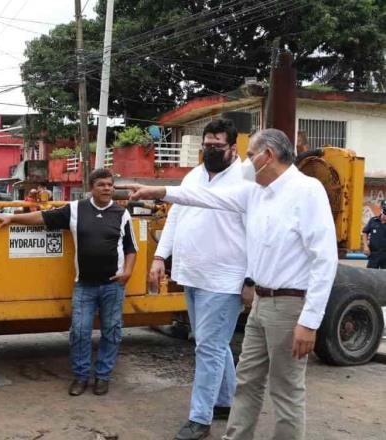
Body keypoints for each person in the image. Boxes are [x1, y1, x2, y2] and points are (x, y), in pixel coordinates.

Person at [119, 129, 338, 440]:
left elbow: (324, 260)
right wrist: (159, 192)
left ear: (268, 156)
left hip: (290, 306)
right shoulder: (255, 192)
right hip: (261, 303)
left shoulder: (306, 191)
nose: (246, 162)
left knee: (286, 390)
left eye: (250, 156)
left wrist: (310, 321)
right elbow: (206, 197)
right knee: (247, 382)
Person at [0, 168, 137, 396]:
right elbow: (43, 217)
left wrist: (127, 272)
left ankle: (102, 377)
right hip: (84, 285)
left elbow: (131, 248)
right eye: (102, 185)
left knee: (112, 331)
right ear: (91, 188)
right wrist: (12, 217)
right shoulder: (76, 209)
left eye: (110, 185)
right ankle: (80, 377)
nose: (107, 188)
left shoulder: (122, 214)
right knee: (79, 332)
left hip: (113, 285)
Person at [154, 120, 247, 440]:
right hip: (191, 274)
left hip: (224, 280)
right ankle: (225, 401)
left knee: (207, 347)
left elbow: (258, 233)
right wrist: (158, 257)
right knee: (213, 345)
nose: (209, 151)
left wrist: (250, 279)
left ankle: (199, 418)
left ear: (233, 147)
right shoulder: (194, 175)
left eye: (216, 147)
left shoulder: (246, 179)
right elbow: (175, 217)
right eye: (206, 146)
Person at [362, 201, 386, 268]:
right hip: (374, 254)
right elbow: (365, 232)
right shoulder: (373, 220)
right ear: (382, 210)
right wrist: (365, 246)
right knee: (370, 275)